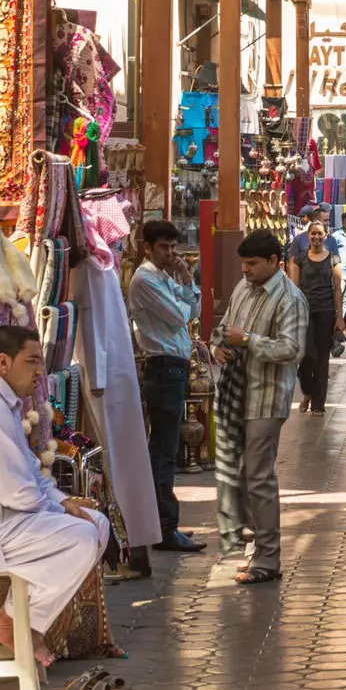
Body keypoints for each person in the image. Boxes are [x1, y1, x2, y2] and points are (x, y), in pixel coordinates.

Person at [0, 324, 109, 666]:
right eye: (32, 361)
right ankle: (10, 621)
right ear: (3, 362)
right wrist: (56, 511)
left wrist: (63, 502)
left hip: (2, 520)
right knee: (82, 537)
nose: (41, 371)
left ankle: (26, 621)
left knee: (97, 524)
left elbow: (28, 471)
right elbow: (15, 492)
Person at [213, 230, 308, 585]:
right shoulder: (243, 288)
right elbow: (225, 328)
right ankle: (258, 549)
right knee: (242, 475)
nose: (246, 270)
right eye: (243, 263)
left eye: (252, 263)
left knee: (259, 476)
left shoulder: (290, 298)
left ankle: (268, 559)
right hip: (237, 392)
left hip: (267, 398)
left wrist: (248, 341)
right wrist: (219, 346)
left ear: (273, 261)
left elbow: (292, 349)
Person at [127, 220, 203, 552]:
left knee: (166, 449)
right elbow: (180, 316)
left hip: (174, 367)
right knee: (163, 451)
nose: (170, 253)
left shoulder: (164, 276)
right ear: (147, 247)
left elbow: (193, 309)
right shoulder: (145, 280)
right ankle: (164, 526)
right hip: (163, 367)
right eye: (163, 247)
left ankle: (164, 524)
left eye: (173, 247)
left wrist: (186, 278)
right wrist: (183, 292)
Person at [288, 218, 343, 416]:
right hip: (305, 312)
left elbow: (337, 289)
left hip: (326, 311)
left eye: (320, 233)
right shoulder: (300, 259)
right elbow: (294, 288)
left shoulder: (333, 259)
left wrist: (339, 317)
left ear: (325, 236)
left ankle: (318, 404)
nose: (317, 237)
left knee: (322, 358)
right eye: (313, 233)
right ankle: (308, 391)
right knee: (306, 354)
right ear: (308, 235)